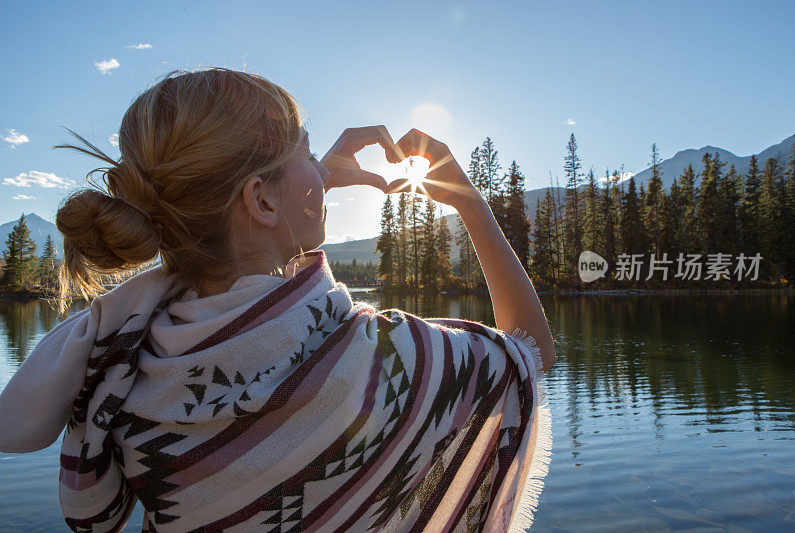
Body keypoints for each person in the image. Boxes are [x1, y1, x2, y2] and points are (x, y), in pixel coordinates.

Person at [0, 68, 555, 532]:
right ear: (260, 200)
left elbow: (247, 267)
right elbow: (529, 351)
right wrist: (471, 203)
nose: (322, 166)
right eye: (308, 153)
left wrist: (308, 186)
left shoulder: (131, 373)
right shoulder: (372, 367)